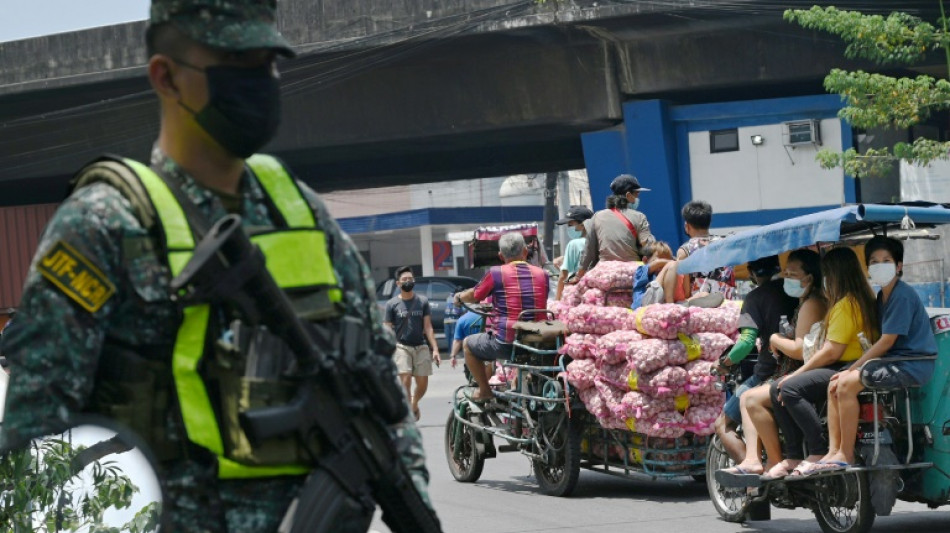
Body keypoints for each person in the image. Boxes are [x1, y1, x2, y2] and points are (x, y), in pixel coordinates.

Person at [0, 1, 431, 530]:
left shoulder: (300, 210)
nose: (259, 82)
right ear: (166, 76)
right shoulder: (104, 225)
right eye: (236, 64)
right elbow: (33, 450)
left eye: (267, 64)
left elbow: (377, 385)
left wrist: (416, 505)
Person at [816, 236, 938, 471]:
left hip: (910, 364)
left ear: (898, 266)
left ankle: (846, 453)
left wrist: (853, 368)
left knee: (844, 385)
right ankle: (833, 450)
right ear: (868, 267)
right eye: (874, 261)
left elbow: (886, 341)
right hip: (893, 362)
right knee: (834, 384)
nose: (879, 265)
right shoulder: (882, 296)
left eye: (886, 260)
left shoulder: (901, 295)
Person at [769, 247, 879, 476]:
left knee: (787, 388)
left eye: (827, 274)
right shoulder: (866, 298)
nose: (824, 281)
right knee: (778, 386)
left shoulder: (845, 305)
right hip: (858, 365)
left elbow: (831, 352)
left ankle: (816, 450)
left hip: (844, 366)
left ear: (836, 275)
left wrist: (797, 373)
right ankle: (796, 454)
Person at [737, 249, 827, 477]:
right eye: (785, 273)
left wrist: (775, 339)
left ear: (810, 277)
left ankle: (776, 460)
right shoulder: (804, 301)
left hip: (803, 371)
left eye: (793, 274)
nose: (786, 278)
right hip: (801, 369)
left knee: (750, 399)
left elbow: (799, 350)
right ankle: (761, 458)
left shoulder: (811, 303)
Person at [714, 255, 798, 468]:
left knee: (724, 424)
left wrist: (725, 363)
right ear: (779, 268)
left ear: (751, 273)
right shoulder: (799, 292)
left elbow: (746, 341)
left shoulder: (754, 298)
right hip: (802, 367)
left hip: (769, 372)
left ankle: (754, 478)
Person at [455, 232, 549, 402]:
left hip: (507, 342)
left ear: (500, 255)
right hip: (538, 342)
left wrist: (460, 297)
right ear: (525, 252)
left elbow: (475, 295)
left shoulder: (496, 273)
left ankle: (484, 391)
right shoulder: (543, 274)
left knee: (468, 344)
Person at [384, 267, 440, 421]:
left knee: (422, 383)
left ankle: (414, 404)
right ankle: (408, 409)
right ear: (397, 284)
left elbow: (428, 327)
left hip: (420, 345)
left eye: (410, 279)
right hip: (401, 346)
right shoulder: (391, 304)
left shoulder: (422, 301)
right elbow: (387, 328)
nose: (408, 282)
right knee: (406, 379)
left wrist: (435, 349)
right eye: (404, 280)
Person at [575, 174, 655, 279]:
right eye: (636, 194)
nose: (637, 198)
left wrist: (579, 275)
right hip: (632, 275)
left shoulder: (598, 216)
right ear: (628, 195)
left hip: (604, 275)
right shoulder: (639, 217)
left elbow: (589, 250)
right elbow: (648, 244)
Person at [658, 200, 736, 303]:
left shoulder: (685, 250)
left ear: (687, 226)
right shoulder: (726, 244)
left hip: (700, 309)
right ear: (709, 223)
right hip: (728, 305)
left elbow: (682, 288)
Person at [555, 205, 593, 299]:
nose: (568, 228)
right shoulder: (599, 241)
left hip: (578, 295)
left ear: (583, 224)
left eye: (571, 225)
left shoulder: (574, 244)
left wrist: (557, 301)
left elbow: (563, 276)